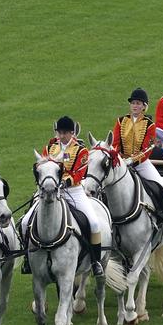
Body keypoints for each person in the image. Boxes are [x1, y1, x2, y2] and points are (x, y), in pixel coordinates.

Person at [113, 88, 163, 237]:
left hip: (142, 164)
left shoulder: (149, 125)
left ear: (144, 106)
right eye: (133, 103)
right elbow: (116, 143)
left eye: (138, 103)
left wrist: (133, 161)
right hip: (122, 163)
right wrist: (121, 158)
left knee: (162, 189)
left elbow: (148, 149)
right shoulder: (121, 121)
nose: (134, 106)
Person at [42, 116, 104, 277]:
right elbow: (41, 166)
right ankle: (29, 257)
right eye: (59, 132)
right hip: (49, 190)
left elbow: (79, 173)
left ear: (72, 133)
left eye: (64, 133)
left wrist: (64, 183)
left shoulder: (81, 150)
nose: (61, 136)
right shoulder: (50, 147)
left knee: (94, 223)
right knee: (27, 219)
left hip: (73, 191)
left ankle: (95, 261)